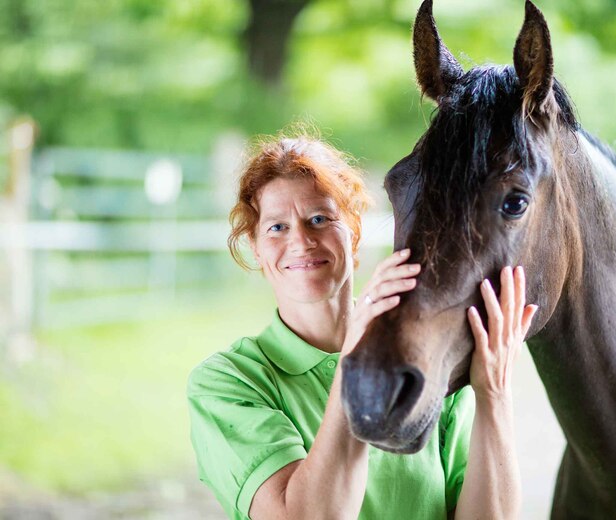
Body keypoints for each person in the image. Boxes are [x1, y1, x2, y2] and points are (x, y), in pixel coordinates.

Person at [187, 133, 538, 519]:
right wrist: (355, 359)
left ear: (353, 232)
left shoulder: (421, 358)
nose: (301, 241)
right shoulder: (227, 382)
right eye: (276, 227)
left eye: (319, 219)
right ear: (255, 248)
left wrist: (494, 394)